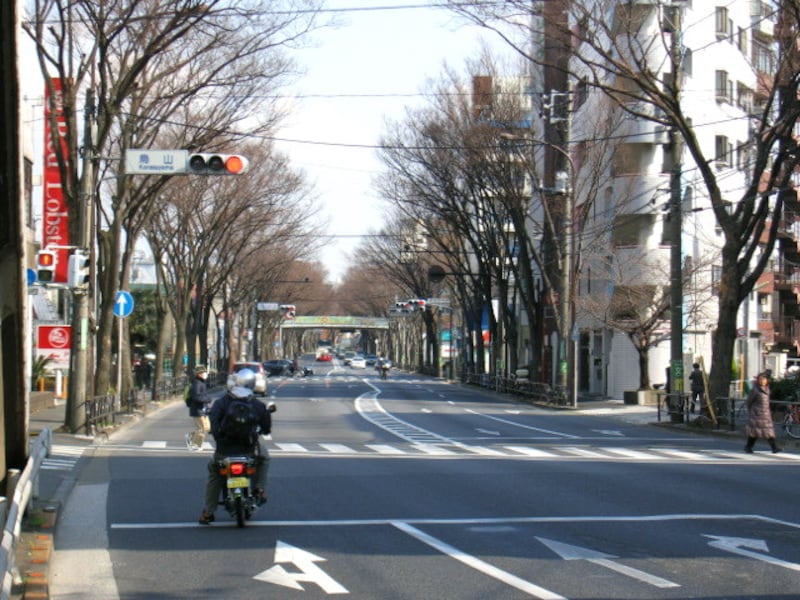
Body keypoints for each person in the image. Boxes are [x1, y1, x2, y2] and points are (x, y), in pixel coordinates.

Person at [199, 368, 272, 525]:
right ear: (252, 384)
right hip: (249, 449)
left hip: (224, 450)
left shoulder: (222, 402)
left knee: (215, 473)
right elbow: (266, 425)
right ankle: (259, 488)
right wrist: (263, 430)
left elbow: (213, 424)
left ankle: (208, 512)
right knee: (264, 458)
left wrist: (218, 436)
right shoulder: (256, 403)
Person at [744, 372, 780, 454]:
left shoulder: (767, 389)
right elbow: (749, 401)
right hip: (757, 414)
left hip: (766, 414)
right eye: (761, 380)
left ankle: (774, 448)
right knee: (755, 432)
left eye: (764, 379)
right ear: (758, 381)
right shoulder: (755, 390)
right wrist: (752, 411)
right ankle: (748, 447)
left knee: (768, 431)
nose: (763, 381)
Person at [185, 365, 211, 451]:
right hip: (197, 409)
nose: (205, 374)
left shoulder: (201, 382)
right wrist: (207, 399)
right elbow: (196, 397)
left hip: (203, 409)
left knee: (207, 427)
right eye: (204, 373)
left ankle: (191, 436)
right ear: (199, 374)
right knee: (202, 429)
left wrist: (207, 400)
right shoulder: (196, 383)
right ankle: (196, 445)